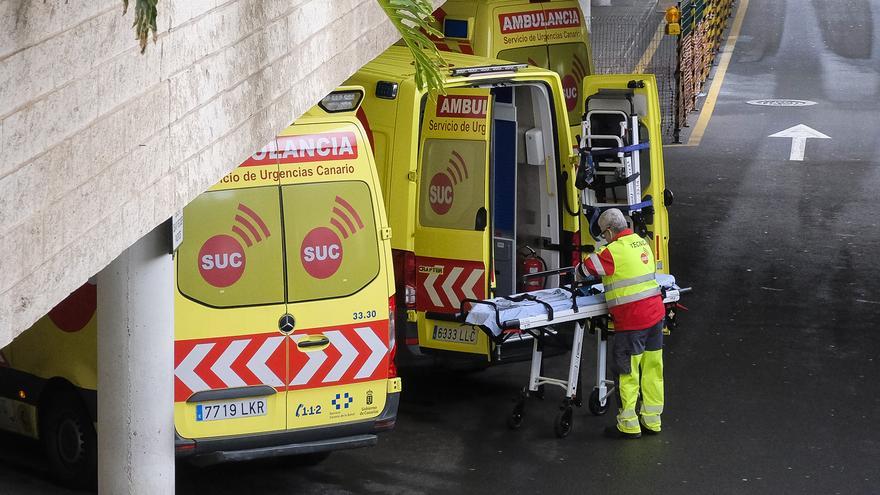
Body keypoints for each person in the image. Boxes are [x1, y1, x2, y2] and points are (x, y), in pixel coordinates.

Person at [575, 208, 665, 439]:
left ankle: (628, 424)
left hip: (632, 320)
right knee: (652, 371)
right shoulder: (642, 242)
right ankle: (652, 421)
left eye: (603, 234)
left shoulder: (611, 252)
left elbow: (584, 269)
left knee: (627, 372)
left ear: (608, 231)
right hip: (655, 316)